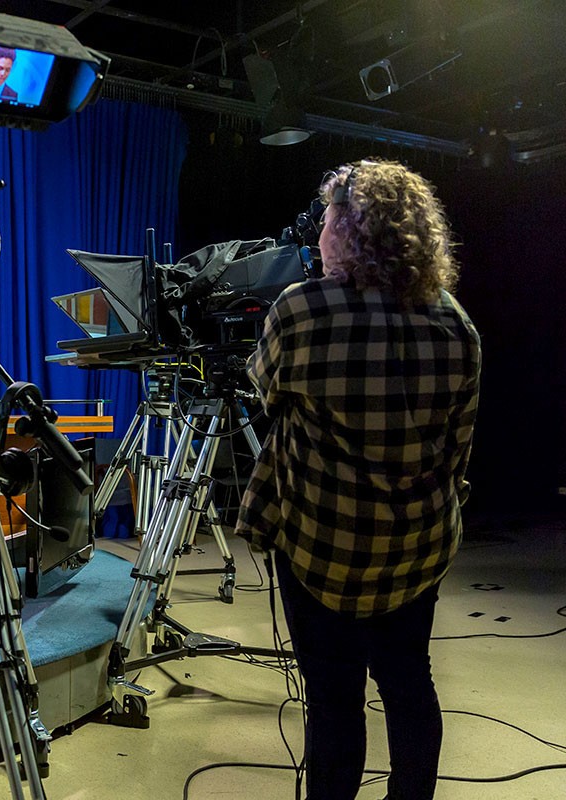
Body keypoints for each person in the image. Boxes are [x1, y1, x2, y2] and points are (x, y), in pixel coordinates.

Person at [236, 160, 481, 800]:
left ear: (348, 230)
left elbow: (265, 392)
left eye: (326, 218)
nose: (319, 231)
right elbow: (458, 451)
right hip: (416, 551)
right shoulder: (456, 322)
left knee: (334, 695)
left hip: (321, 545)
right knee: (409, 683)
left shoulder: (300, 310)